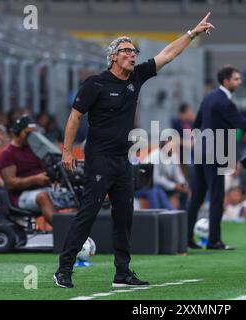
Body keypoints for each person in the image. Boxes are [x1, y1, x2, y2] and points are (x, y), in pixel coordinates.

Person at [54, 13, 216, 289]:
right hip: (98, 158)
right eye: (127, 51)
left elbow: (167, 55)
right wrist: (67, 151)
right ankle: (64, 269)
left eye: (134, 51)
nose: (132, 55)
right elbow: (74, 117)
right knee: (88, 213)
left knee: (124, 216)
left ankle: (122, 273)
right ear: (114, 56)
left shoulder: (137, 77)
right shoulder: (96, 83)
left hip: (123, 159)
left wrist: (192, 34)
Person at [186, 65, 246, 251]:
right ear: (226, 81)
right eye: (236, 79)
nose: (240, 82)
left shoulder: (209, 97)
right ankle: (214, 241)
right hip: (214, 151)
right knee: (216, 195)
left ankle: (186, 238)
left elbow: (196, 123)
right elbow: (243, 126)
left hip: (200, 150)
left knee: (197, 196)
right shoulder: (225, 102)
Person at [0, 115, 55, 225]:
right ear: (17, 132)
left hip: (45, 189)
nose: (31, 137)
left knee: (74, 194)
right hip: (20, 196)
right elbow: (10, 183)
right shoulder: (8, 154)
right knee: (43, 197)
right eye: (27, 133)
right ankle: (64, 232)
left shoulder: (35, 149)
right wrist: (35, 179)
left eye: (33, 133)